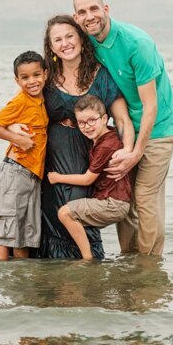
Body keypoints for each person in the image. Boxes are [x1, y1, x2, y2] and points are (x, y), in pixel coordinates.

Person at [73, 0, 173, 256]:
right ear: (76, 18)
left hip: (158, 130)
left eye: (94, 9)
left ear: (106, 9)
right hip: (126, 129)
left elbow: (150, 105)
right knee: (126, 200)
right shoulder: (90, 43)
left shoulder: (137, 44)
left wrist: (136, 152)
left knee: (145, 198)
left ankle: (149, 267)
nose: (89, 16)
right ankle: (130, 263)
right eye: (82, 12)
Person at [23, 15, 134, 259]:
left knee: (78, 215)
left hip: (87, 159)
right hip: (51, 160)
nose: (65, 43)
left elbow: (122, 119)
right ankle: (55, 284)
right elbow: (21, 109)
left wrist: (128, 152)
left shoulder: (101, 75)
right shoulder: (46, 77)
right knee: (51, 218)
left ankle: (88, 273)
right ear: (51, 47)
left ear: (82, 40)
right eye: (58, 39)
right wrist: (14, 132)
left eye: (70, 36)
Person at [47, 94, 132, 261]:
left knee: (65, 213)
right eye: (82, 123)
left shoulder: (106, 145)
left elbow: (87, 179)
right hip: (111, 200)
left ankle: (87, 259)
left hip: (113, 203)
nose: (87, 127)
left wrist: (57, 177)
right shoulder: (105, 137)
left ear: (105, 118)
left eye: (92, 120)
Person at [0, 51, 48, 261]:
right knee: (6, 230)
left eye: (36, 75)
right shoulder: (20, 101)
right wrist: (18, 139)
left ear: (45, 74)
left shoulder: (42, 99)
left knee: (25, 232)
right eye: (25, 77)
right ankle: (1, 273)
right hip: (14, 172)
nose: (32, 81)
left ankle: (21, 278)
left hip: (32, 175)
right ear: (17, 80)